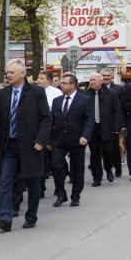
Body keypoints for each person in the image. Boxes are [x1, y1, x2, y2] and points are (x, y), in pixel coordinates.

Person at [0, 59, 51, 231]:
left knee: (32, 182)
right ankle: (5, 218)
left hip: (31, 146)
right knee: (5, 180)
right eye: (7, 72)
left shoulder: (36, 92)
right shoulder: (3, 94)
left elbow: (46, 118)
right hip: (9, 145)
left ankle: (31, 216)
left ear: (23, 74)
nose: (8, 75)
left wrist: (41, 140)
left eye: (12, 72)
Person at [50, 74, 94, 207]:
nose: (61, 85)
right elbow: (52, 120)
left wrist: (85, 136)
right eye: (61, 83)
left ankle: (75, 195)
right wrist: (48, 139)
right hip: (59, 140)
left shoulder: (85, 100)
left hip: (77, 139)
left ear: (73, 85)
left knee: (77, 169)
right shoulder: (57, 101)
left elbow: (90, 119)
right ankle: (61, 194)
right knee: (56, 165)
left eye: (64, 83)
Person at [85, 73, 122, 186]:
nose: (92, 82)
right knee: (95, 153)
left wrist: (116, 128)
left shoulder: (111, 94)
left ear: (101, 81)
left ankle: (108, 168)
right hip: (92, 128)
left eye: (94, 80)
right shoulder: (86, 95)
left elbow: (117, 111)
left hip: (107, 127)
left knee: (108, 151)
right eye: (90, 79)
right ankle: (97, 177)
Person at [100, 68, 125, 177]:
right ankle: (107, 168)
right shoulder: (96, 88)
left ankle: (118, 168)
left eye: (108, 76)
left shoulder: (118, 89)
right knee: (104, 149)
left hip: (114, 125)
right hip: (100, 125)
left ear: (112, 77)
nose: (105, 77)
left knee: (115, 148)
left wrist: (121, 125)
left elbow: (121, 108)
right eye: (103, 75)